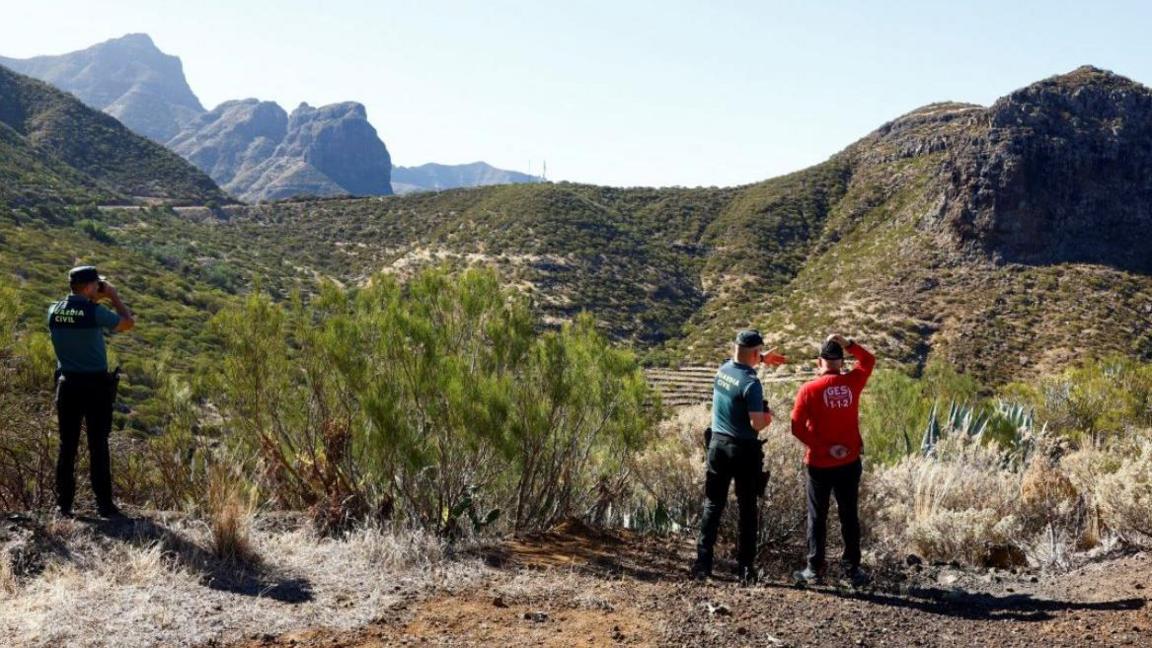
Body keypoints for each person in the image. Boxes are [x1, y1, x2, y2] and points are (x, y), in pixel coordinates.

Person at [692, 329, 787, 584]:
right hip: (743, 450)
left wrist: (762, 357)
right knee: (747, 509)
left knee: (713, 504)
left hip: (717, 446)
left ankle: (702, 564)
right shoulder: (751, 383)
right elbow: (757, 423)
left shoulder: (723, 369)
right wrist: (769, 415)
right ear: (754, 353)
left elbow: (739, 359)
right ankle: (745, 570)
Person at [47, 266, 135, 518]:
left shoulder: (53, 310)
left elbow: (72, 320)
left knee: (67, 446)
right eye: (97, 285)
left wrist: (94, 295)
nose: (99, 288)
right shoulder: (94, 312)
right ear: (88, 287)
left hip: (67, 385)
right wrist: (114, 296)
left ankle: (63, 506)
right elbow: (128, 323)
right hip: (95, 386)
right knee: (98, 445)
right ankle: (104, 506)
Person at [790, 334, 875, 585]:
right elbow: (869, 360)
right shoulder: (853, 381)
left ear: (819, 363)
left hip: (819, 464)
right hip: (849, 463)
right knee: (849, 514)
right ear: (841, 362)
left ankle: (814, 569)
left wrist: (825, 449)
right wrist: (848, 343)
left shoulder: (808, 389)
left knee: (817, 516)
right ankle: (852, 570)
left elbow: (796, 428)